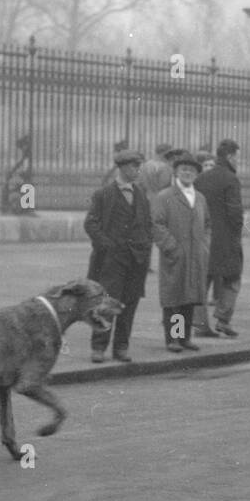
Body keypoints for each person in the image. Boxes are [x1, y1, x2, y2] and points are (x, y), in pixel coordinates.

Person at [85, 149, 152, 362]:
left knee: (129, 303)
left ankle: (121, 347)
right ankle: (99, 347)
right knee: (106, 303)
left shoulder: (141, 194)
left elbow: (147, 224)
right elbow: (91, 223)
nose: (138, 170)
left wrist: (146, 247)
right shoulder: (104, 194)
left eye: (139, 166)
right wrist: (107, 245)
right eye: (134, 166)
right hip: (111, 260)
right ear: (122, 167)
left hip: (136, 260)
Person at [151, 153, 210, 352]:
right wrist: (171, 247)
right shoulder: (165, 196)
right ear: (176, 172)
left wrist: (204, 245)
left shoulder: (200, 198)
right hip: (175, 256)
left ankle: (185, 338)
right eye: (184, 169)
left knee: (190, 298)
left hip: (196, 255)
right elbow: (156, 224)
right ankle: (173, 339)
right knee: (174, 298)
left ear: (196, 175)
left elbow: (208, 224)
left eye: (192, 171)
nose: (187, 173)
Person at [194, 138, 244, 338]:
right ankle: (223, 320)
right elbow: (235, 213)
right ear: (230, 157)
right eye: (237, 157)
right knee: (232, 278)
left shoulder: (202, 178)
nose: (238, 162)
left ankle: (197, 326)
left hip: (203, 239)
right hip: (226, 239)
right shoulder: (231, 179)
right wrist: (236, 233)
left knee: (201, 282)